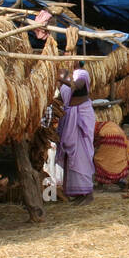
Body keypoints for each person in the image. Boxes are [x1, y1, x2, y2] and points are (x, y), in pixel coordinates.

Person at [55, 65, 96, 205]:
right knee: (71, 158)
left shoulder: (82, 75)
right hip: (69, 118)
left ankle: (88, 194)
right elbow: (59, 100)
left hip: (81, 119)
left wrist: (61, 78)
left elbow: (77, 86)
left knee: (82, 156)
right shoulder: (63, 80)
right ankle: (78, 193)